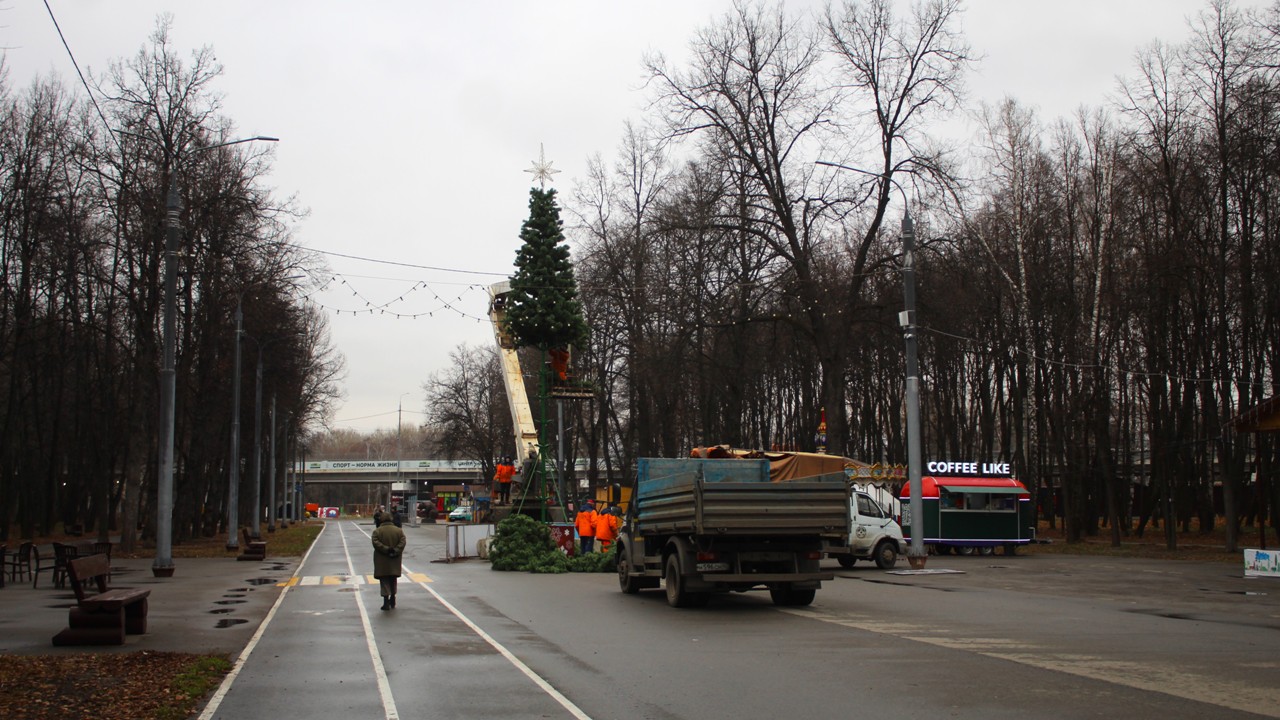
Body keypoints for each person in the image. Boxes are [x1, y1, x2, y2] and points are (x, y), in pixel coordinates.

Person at [372, 511, 407, 611]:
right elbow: (402, 542)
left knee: (384, 580)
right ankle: (393, 598)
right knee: (393, 579)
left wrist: (386, 549)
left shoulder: (377, 531)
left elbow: (375, 542)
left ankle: (386, 601)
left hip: (382, 560)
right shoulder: (399, 531)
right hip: (394, 560)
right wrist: (395, 550)